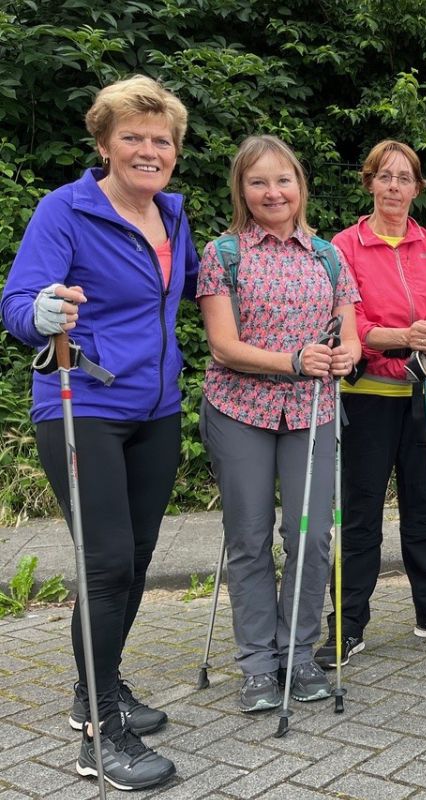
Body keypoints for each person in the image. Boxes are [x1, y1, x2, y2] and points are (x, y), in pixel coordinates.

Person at [0, 74, 194, 790]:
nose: (149, 150)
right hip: (82, 406)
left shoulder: (173, 216)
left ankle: (98, 687)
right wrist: (43, 312)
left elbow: (205, 288)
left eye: (161, 139)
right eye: (133, 137)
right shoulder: (66, 209)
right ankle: (97, 737)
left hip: (158, 409)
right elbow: (19, 301)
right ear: (105, 142)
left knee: (136, 559)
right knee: (107, 562)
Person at [197, 135, 361, 713]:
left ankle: (299, 653)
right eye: (259, 181)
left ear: (300, 186)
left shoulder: (327, 255)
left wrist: (346, 355)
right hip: (240, 408)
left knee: (312, 534)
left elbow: (349, 329)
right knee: (248, 537)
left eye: (283, 180)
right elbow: (222, 346)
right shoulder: (224, 254)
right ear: (242, 189)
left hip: (313, 412)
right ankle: (258, 666)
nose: (273, 192)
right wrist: (292, 362)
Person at [312, 140, 426, 668]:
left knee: (424, 510)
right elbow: (346, 324)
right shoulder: (344, 246)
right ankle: (347, 625)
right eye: (384, 177)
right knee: (360, 516)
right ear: (370, 183)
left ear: (416, 188)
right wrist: (399, 335)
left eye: (404, 178)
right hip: (368, 397)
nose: (394, 187)